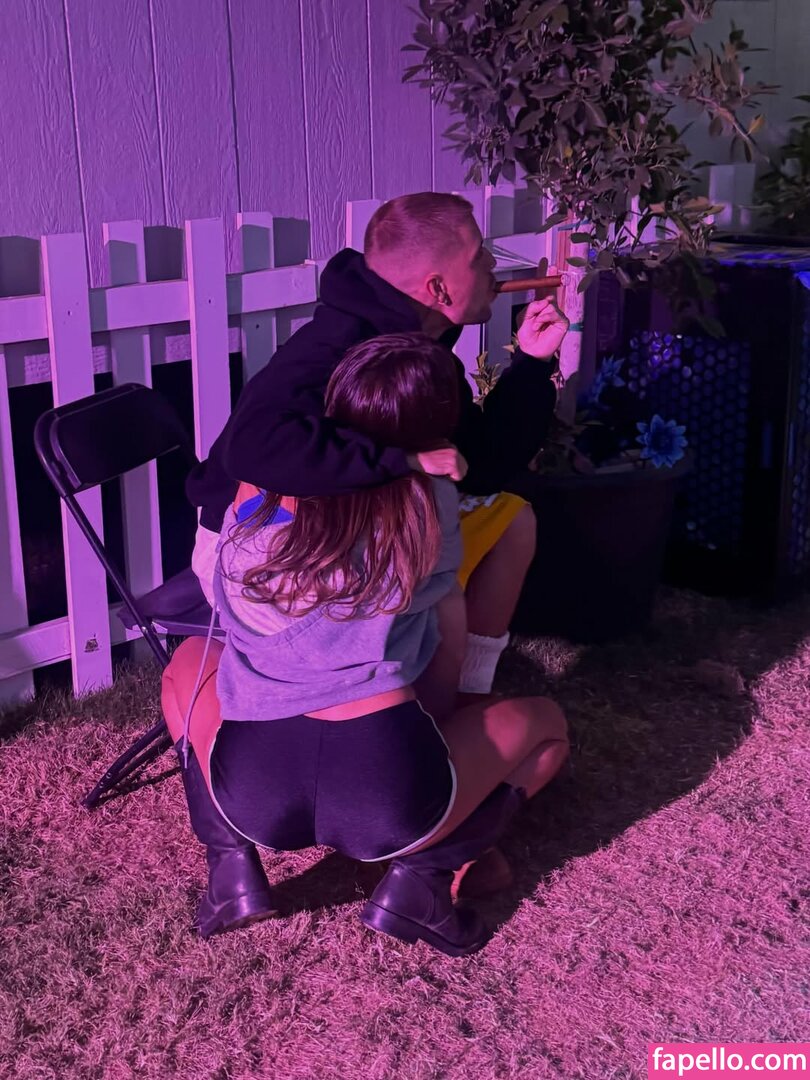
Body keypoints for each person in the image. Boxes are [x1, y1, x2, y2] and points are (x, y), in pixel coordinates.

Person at [163, 333, 569, 957]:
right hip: (386, 787)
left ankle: (230, 867)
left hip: (254, 789)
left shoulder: (255, 500)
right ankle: (421, 881)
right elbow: (444, 622)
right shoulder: (426, 505)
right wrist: (440, 719)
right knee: (546, 728)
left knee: (186, 665)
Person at [187, 192, 569, 709]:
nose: (492, 264)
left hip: (357, 521)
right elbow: (252, 448)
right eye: (478, 254)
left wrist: (531, 364)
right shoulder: (333, 346)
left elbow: (481, 464)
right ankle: (408, 714)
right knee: (439, 584)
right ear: (438, 288)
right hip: (263, 546)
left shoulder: (420, 343)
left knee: (510, 521)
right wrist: (400, 461)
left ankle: (467, 698)